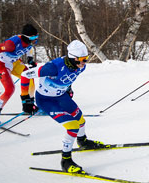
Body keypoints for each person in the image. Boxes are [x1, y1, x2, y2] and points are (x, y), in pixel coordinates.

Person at [23, 40, 106, 173]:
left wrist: (68, 88)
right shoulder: (52, 68)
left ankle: (82, 141)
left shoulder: (80, 66)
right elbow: (25, 75)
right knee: (73, 126)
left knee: (80, 120)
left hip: (61, 96)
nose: (85, 62)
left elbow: (69, 77)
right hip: (46, 100)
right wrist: (26, 99)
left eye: (86, 58)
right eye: (82, 59)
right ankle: (66, 161)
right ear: (73, 58)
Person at [0, 24, 39, 124]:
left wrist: (30, 59)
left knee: (30, 77)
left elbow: (29, 48)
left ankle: (29, 104)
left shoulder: (29, 42)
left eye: (36, 36)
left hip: (15, 62)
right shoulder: (11, 44)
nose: (35, 39)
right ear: (26, 37)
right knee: (10, 89)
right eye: (33, 37)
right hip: (2, 63)